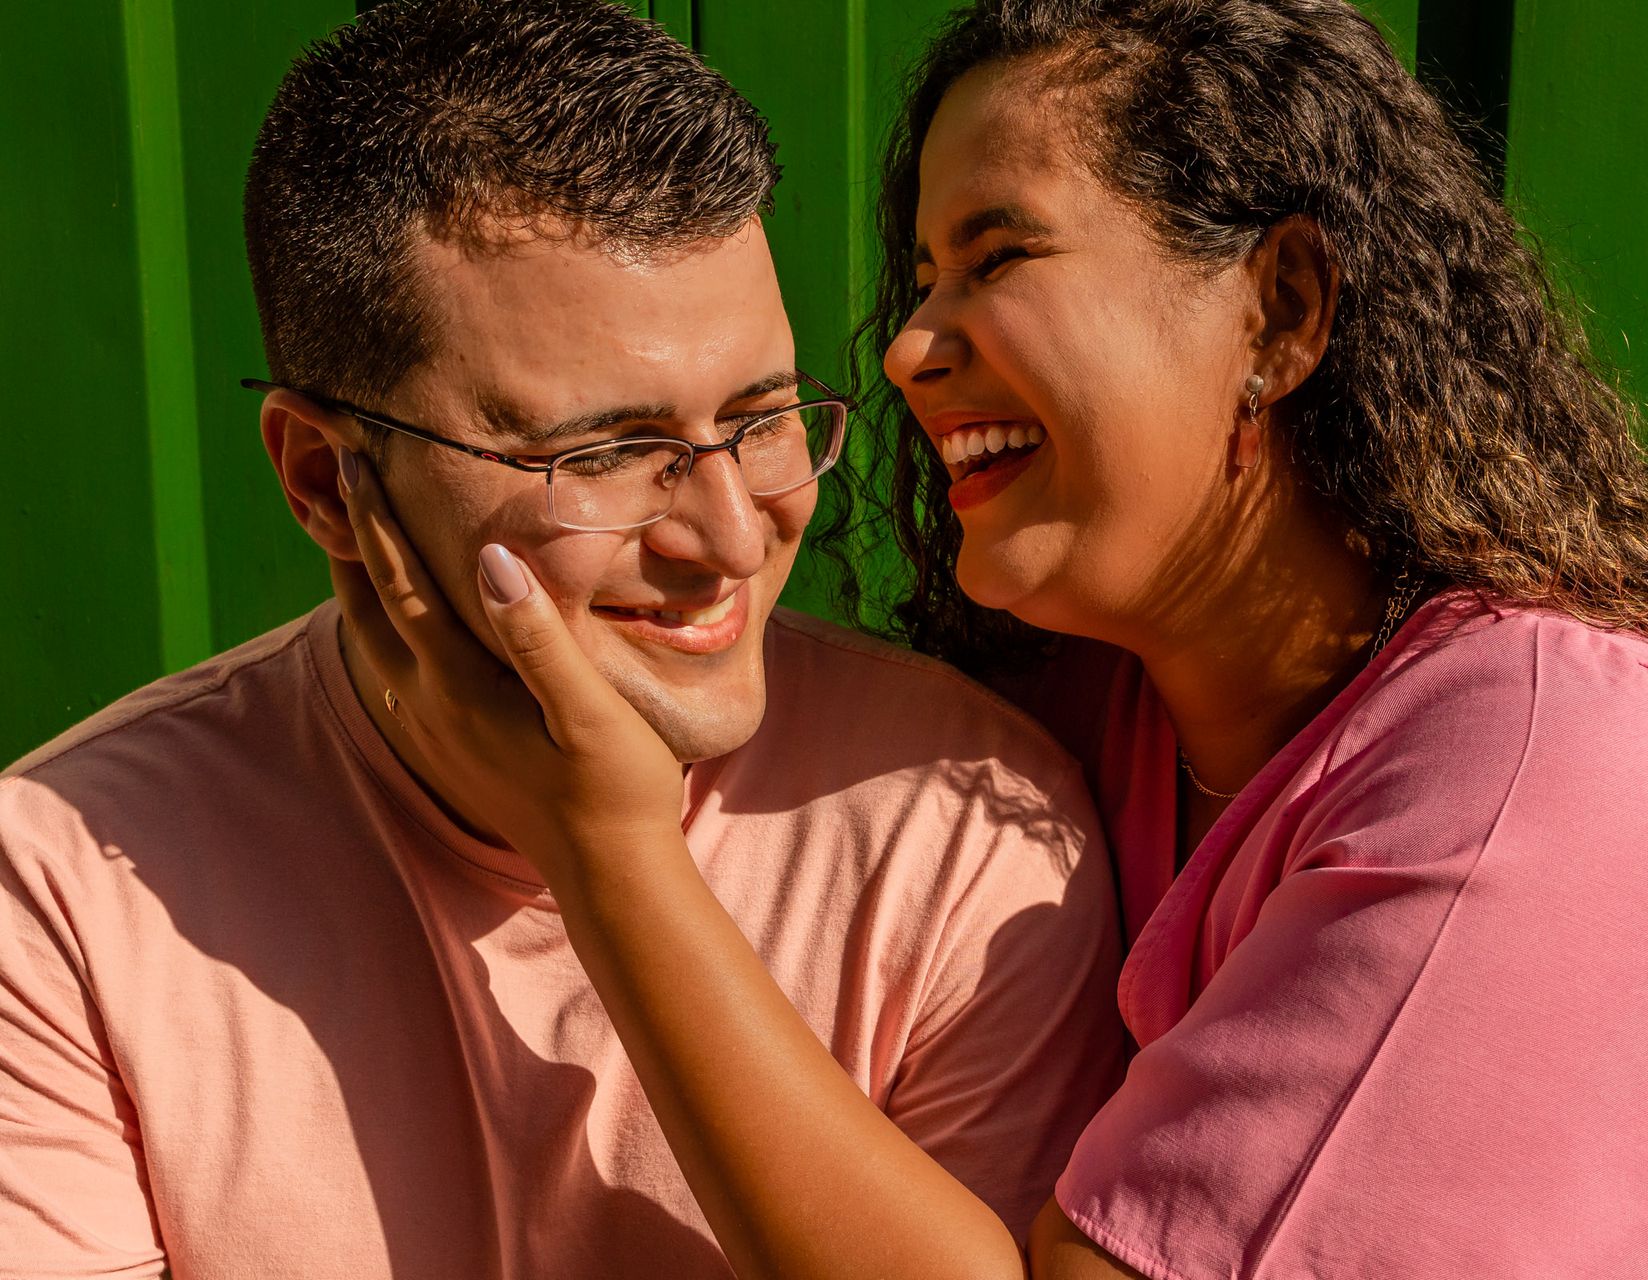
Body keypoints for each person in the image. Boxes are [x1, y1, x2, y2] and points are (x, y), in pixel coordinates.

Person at [334, 0, 1648, 1277]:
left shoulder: (1569, 780)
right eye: (921, 273)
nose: (904, 346)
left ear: (1284, 308)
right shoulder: (1096, 728)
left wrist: (603, 842)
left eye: (999, 256)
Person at [0, 3, 1127, 1276]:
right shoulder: (58, 899)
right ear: (323, 478)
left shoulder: (964, 828)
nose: (732, 537)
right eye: (603, 455)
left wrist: (607, 854)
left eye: (762, 416)